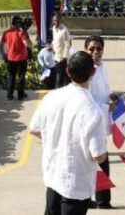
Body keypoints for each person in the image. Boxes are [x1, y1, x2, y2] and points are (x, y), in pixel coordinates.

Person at [30, 52, 109, 215]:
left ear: (67, 72)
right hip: (76, 184)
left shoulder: (51, 97)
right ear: (93, 72)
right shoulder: (93, 111)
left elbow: (34, 129)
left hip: (53, 176)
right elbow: (98, 156)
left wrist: (56, 140)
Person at [85, 36, 118, 209]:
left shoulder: (102, 69)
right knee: (98, 161)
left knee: (98, 162)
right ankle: (101, 200)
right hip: (91, 124)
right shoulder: (86, 73)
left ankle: (98, 198)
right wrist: (107, 107)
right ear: (85, 51)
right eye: (91, 49)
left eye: (98, 49)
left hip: (102, 121)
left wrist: (112, 97)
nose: (95, 52)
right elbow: (86, 102)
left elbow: (105, 91)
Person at [2, 17, 30, 101]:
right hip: (21, 59)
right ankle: (20, 94)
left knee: (11, 76)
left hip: (10, 58)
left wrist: (4, 54)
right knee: (21, 76)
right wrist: (26, 35)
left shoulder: (6, 33)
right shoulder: (21, 33)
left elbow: (1, 45)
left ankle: (9, 94)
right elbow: (27, 45)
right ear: (18, 24)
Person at [52, 13, 73, 89]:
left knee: (59, 76)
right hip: (55, 56)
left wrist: (64, 57)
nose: (56, 22)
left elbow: (68, 44)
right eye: (54, 20)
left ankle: (58, 91)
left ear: (61, 20)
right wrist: (51, 46)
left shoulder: (64, 30)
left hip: (61, 58)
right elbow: (55, 40)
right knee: (60, 75)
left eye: (57, 20)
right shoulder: (54, 28)